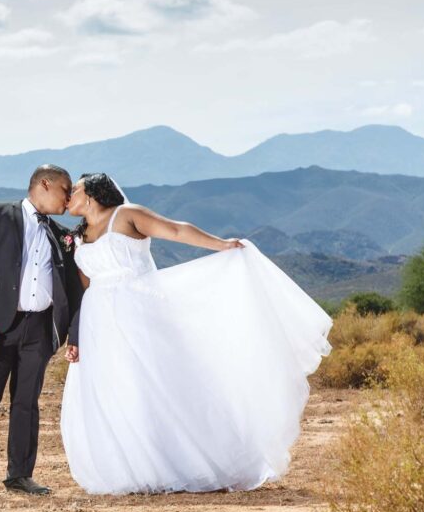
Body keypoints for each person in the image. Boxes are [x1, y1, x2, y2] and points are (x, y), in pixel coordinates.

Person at [60, 172, 333, 495]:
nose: (69, 195)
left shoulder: (127, 215)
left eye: (74, 189)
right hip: (99, 322)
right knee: (114, 391)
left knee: (152, 386)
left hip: (138, 314)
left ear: (91, 193)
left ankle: (175, 462)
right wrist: (76, 335)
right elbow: (85, 288)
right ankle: (127, 468)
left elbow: (176, 229)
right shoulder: (79, 237)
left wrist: (221, 245)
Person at [0, 164, 84, 497]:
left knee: (27, 403)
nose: (68, 199)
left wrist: (73, 333)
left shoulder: (61, 235)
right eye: (65, 191)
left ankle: (20, 475)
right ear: (45, 184)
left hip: (39, 329)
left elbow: (74, 289)